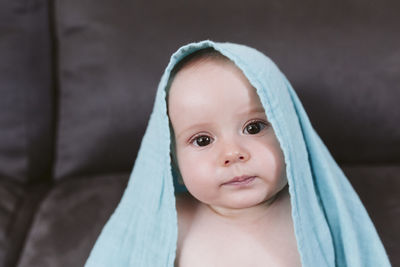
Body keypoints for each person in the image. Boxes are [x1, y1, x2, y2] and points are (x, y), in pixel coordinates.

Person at [85, 41, 391, 267]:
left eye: (254, 127)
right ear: (172, 160)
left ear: (291, 133)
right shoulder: (166, 222)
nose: (232, 153)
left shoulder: (317, 213)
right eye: (203, 139)